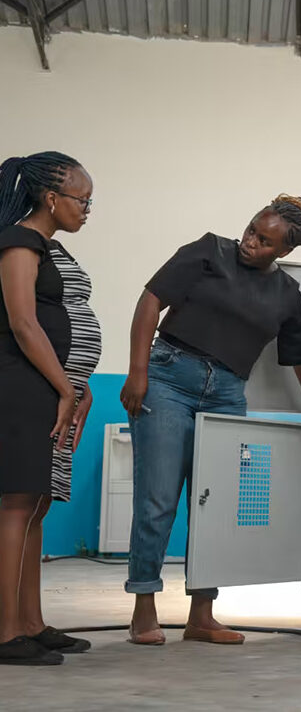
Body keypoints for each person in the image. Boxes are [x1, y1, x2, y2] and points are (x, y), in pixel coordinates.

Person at [120, 194, 301, 646]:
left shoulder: (286, 293)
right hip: (168, 379)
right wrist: (138, 371)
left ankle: (201, 615)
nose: (250, 242)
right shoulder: (208, 250)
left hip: (227, 394)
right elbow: (151, 301)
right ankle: (143, 609)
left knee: (215, 507)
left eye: (264, 241)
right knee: (158, 499)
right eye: (251, 230)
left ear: (285, 250)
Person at [0, 152, 101, 665]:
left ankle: (31, 624)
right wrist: (65, 389)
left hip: (51, 386)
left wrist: (79, 386)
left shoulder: (48, 247)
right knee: (16, 503)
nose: (87, 209)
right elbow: (23, 323)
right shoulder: (19, 242)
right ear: (51, 198)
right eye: (82, 200)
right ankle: (5, 633)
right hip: (22, 386)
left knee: (36, 504)